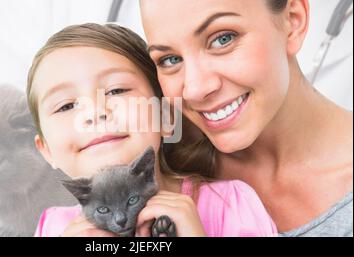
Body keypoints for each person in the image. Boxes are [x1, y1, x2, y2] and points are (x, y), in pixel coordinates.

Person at [26, 23, 277, 237]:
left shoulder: (230, 206)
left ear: (166, 117)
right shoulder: (53, 228)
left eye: (116, 91)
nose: (95, 113)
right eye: (66, 105)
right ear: (46, 150)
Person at [139, 0, 353, 236]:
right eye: (170, 59)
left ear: (292, 20)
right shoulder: (162, 167)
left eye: (223, 39)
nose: (195, 89)